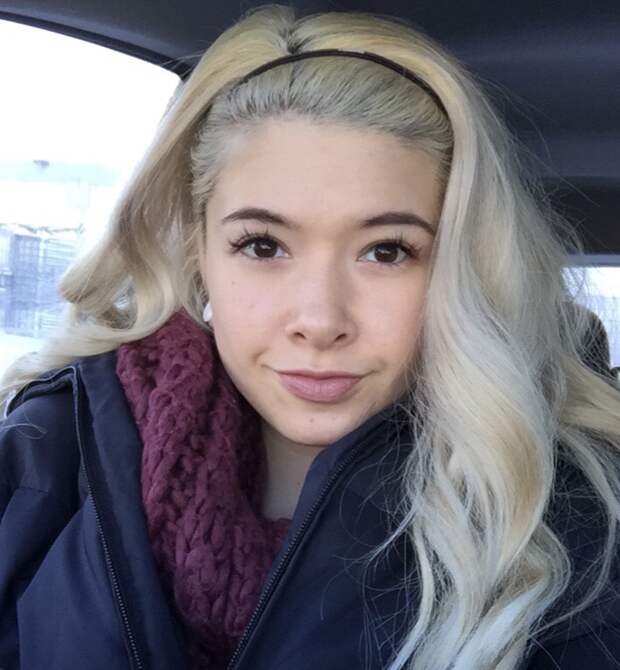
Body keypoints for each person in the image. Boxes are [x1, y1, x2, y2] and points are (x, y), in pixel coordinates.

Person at [1, 4, 619, 669]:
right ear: (199, 253)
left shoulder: (575, 533)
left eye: (387, 251)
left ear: (456, 270)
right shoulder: (46, 457)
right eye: (263, 245)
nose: (320, 320)